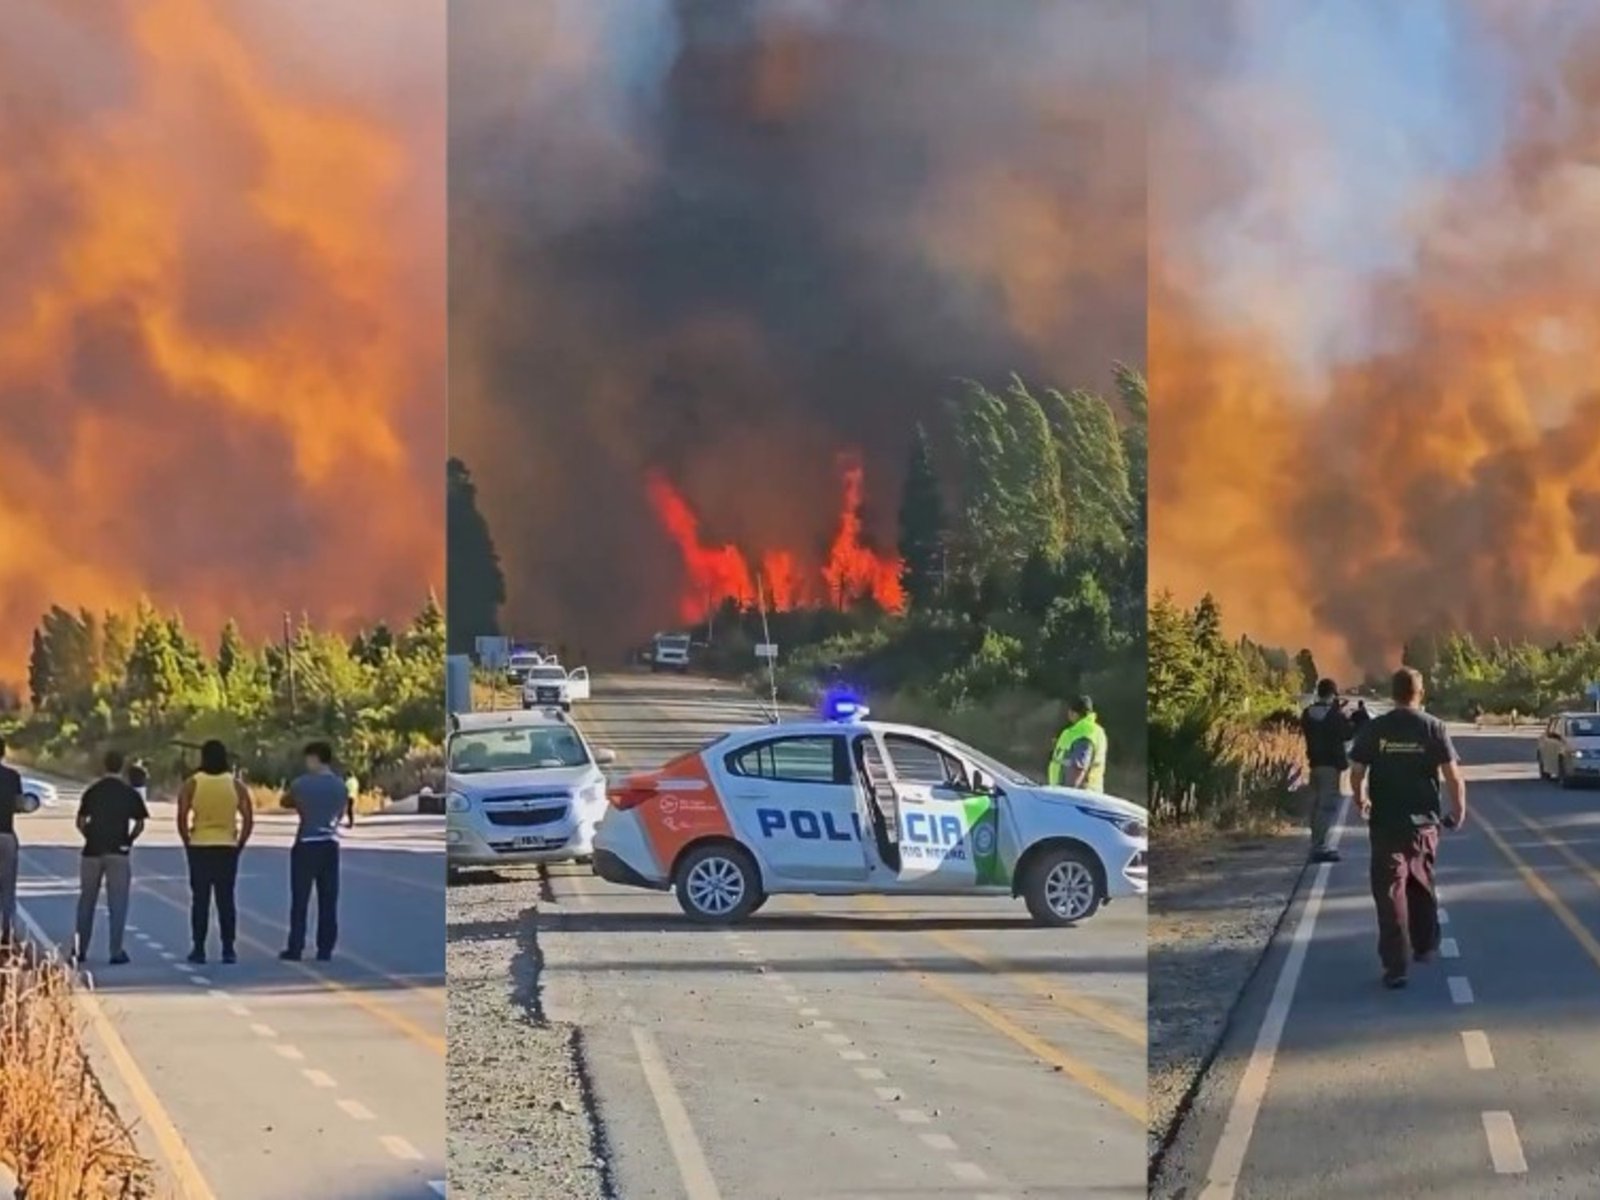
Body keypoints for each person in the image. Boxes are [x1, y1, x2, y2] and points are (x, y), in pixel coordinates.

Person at [1349, 667, 1468, 990]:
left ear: (1393, 693)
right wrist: (1458, 810)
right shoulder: (1433, 727)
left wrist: (1360, 800)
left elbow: (1356, 771)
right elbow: (1453, 776)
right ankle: (1424, 945)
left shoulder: (1375, 729)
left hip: (1386, 823)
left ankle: (1396, 966)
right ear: (1420, 692)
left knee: (1390, 894)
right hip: (1424, 824)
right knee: (1421, 882)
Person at [177, 739, 253, 964]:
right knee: (226, 899)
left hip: (200, 846)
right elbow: (248, 818)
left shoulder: (192, 783)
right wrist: (240, 842)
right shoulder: (236, 785)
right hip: (226, 846)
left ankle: (199, 947)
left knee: (200, 900)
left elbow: (182, 816)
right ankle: (228, 948)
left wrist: (187, 840)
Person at [74, 749, 149, 965]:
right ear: (122, 767)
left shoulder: (93, 791)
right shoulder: (129, 793)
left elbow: (80, 821)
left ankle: (80, 949)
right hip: (118, 850)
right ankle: (116, 951)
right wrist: (129, 840)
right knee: (118, 903)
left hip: (92, 851)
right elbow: (140, 823)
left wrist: (89, 836)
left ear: (104, 765)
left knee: (86, 901)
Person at [280, 741, 350, 962]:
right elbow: (341, 813)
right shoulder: (340, 786)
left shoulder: (301, 784)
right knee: (328, 899)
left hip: (307, 843)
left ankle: (296, 946)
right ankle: (325, 948)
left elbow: (285, 802)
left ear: (314, 758)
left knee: (300, 899)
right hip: (330, 844)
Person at [1299, 679, 1352, 864]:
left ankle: (1316, 842)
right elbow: (1347, 734)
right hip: (1331, 765)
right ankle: (1319, 847)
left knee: (1316, 805)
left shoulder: (1307, 714)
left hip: (1314, 764)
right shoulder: (1335, 715)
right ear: (1333, 694)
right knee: (1327, 806)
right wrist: (1342, 714)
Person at [1049, 696, 1107, 791]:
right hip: (1071, 794)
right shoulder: (1091, 731)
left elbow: (1078, 768)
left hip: (1077, 795)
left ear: (1074, 713)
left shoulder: (1084, 733)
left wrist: (1067, 793)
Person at [0, 738, 23, 945]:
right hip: (6, 834)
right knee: (8, 888)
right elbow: (19, 804)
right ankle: (7, 931)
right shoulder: (13, 776)